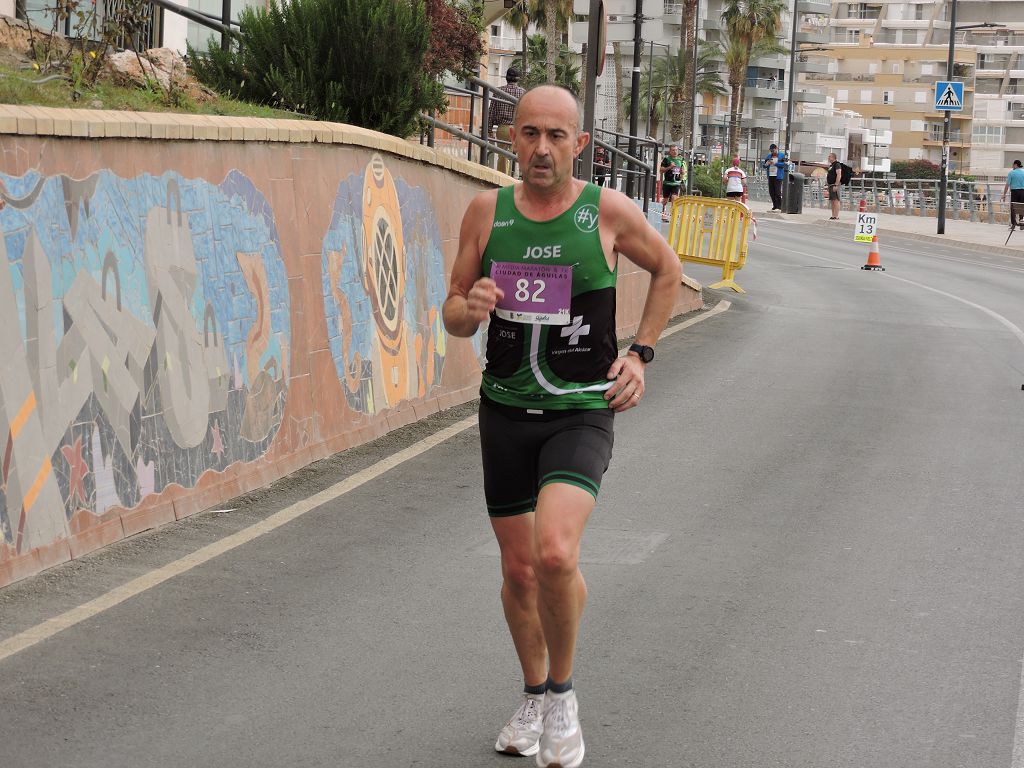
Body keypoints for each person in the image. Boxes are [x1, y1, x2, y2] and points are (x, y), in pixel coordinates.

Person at [443, 84, 681, 768]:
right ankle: (535, 695)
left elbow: (668, 271)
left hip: (580, 410)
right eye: (529, 134)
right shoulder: (486, 213)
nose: (541, 148)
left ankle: (565, 697)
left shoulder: (605, 212)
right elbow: (453, 312)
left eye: (556, 136)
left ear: (580, 144)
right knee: (520, 572)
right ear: (511, 138)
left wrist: (641, 353)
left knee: (554, 554)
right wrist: (474, 304)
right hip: (505, 411)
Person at [489, 67, 526, 176]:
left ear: (506, 78)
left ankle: (503, 179)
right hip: (518, 128)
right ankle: (519, 176)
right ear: (518, 79)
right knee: (519, 154)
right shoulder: (523, 93)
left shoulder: (498, 91)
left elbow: (491, 111)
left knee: (503, 155)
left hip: (503, 128)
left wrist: (489, 129)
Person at [660, 145, 684, 222]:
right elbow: (661, 170)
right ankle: (663, 213)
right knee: (665, 200)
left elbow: (682, 171)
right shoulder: (666, 159)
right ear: (670, 151)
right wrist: (670, 167)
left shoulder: (681, 160)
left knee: (674, 198)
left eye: (676, 150)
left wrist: (682, 172)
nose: (675, 152)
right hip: (667, 183)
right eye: (673, 150)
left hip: (676, 183)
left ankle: (673, 215)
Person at [1002, 159, 1024, 229]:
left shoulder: (1011, 173)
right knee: (1021, 207)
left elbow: (1007, 185)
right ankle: (1022, 224)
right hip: (1023, 191)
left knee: (1013, 208)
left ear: (1015, 165)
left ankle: (1013, 224)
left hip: (1015, 192)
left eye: (1013, 165)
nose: (1012, 166)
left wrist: (1004, 194)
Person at [762, 144, 784, 211]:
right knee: (771, 192)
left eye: (773, 150)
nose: (772, 152)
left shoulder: (782, 155)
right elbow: (764, 165)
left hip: (778, 176)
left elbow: (784, 165)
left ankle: (779, 206)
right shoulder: (768, 156)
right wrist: (766, 164)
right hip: (770, 175)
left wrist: (775, 163)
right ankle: (774, 205)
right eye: (771, 151)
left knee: (777, 192)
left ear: (776, 149)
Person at [824, 152, 843, 220]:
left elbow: (839, 174)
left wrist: (836, 184)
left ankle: (836, 216)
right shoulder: (831, 165)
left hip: (835, 184)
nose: (828, 158)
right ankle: (833, 215)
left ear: (833, 157)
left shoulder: (837, 164)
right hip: (830, 184)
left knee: (836, 200)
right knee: (832, 200)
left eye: (830, 156)